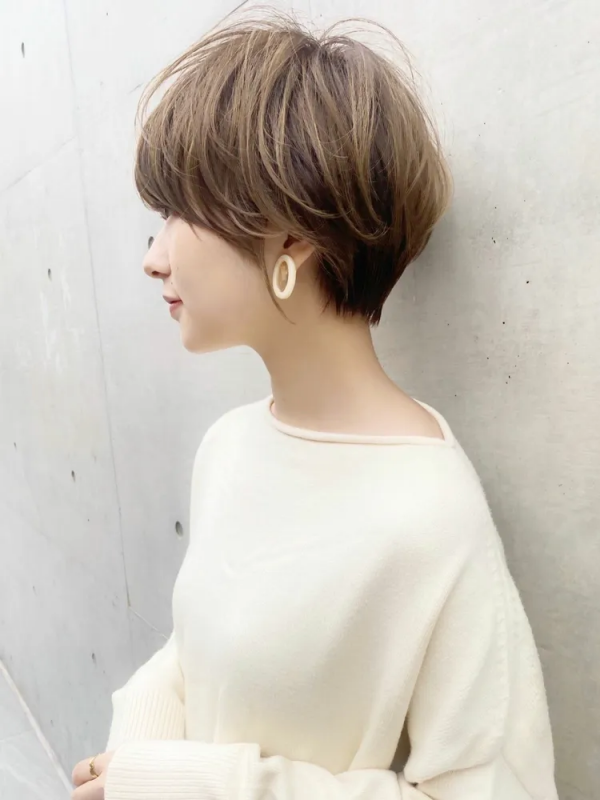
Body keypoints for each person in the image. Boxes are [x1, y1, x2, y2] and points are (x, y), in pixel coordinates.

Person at [71, 13, 558, 800]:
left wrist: (194, 785)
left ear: (291, 238)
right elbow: (195, 652)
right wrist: (136, 759)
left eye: (177, 215)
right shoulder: (229, 445)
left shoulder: (429, 514)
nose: (153, 258)